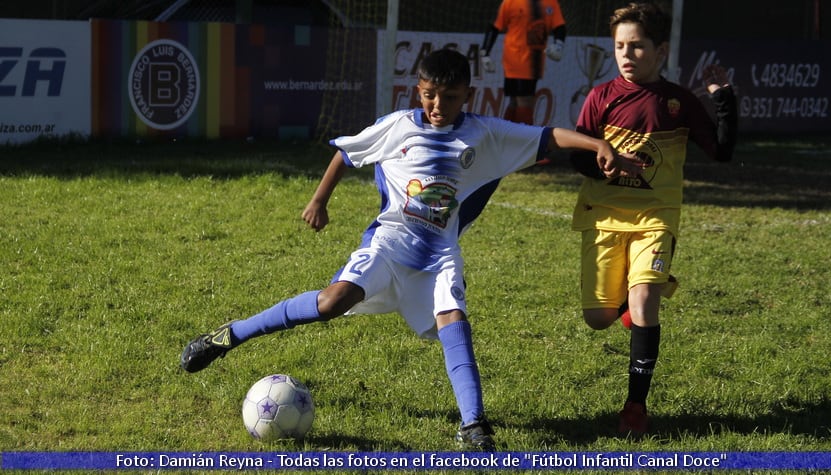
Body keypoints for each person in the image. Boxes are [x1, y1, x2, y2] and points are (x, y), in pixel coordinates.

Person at [180, 48, 624, 451]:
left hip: (439, 257)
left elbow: (549, 137)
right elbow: (346, 153)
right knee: (331, 302)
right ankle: (228, 336)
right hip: (388, 244)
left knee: (455, 319)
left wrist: (598, 144)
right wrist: (319, 200)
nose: (437, 106)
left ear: (468, 95)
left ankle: (473, 425)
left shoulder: (486, 134)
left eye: (449, 97)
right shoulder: (398, 126)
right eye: (430, 95)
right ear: (418, 90)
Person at [568, 2, 737, 436]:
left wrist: (724, 99)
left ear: (661, 50)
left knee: (645, 303)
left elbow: (721, 151)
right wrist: (605, 162)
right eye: (620, 46)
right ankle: (637, 295)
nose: (626, 55)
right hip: (604, 217)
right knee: (598, 318)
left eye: (637, 47)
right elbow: (580, 158)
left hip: (656, 218)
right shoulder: (601, 97)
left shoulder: (677, 102)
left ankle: (634, 407)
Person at [480, 0, 567, 126]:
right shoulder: (510, 2)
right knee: (524, 101)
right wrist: (485, 52)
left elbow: (560, 26)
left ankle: (507, 135)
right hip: (514, 60)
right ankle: (525, 138)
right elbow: (495, 26)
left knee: (515, 101)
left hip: (534, 62)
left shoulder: (550, 3)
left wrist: (559, 44)